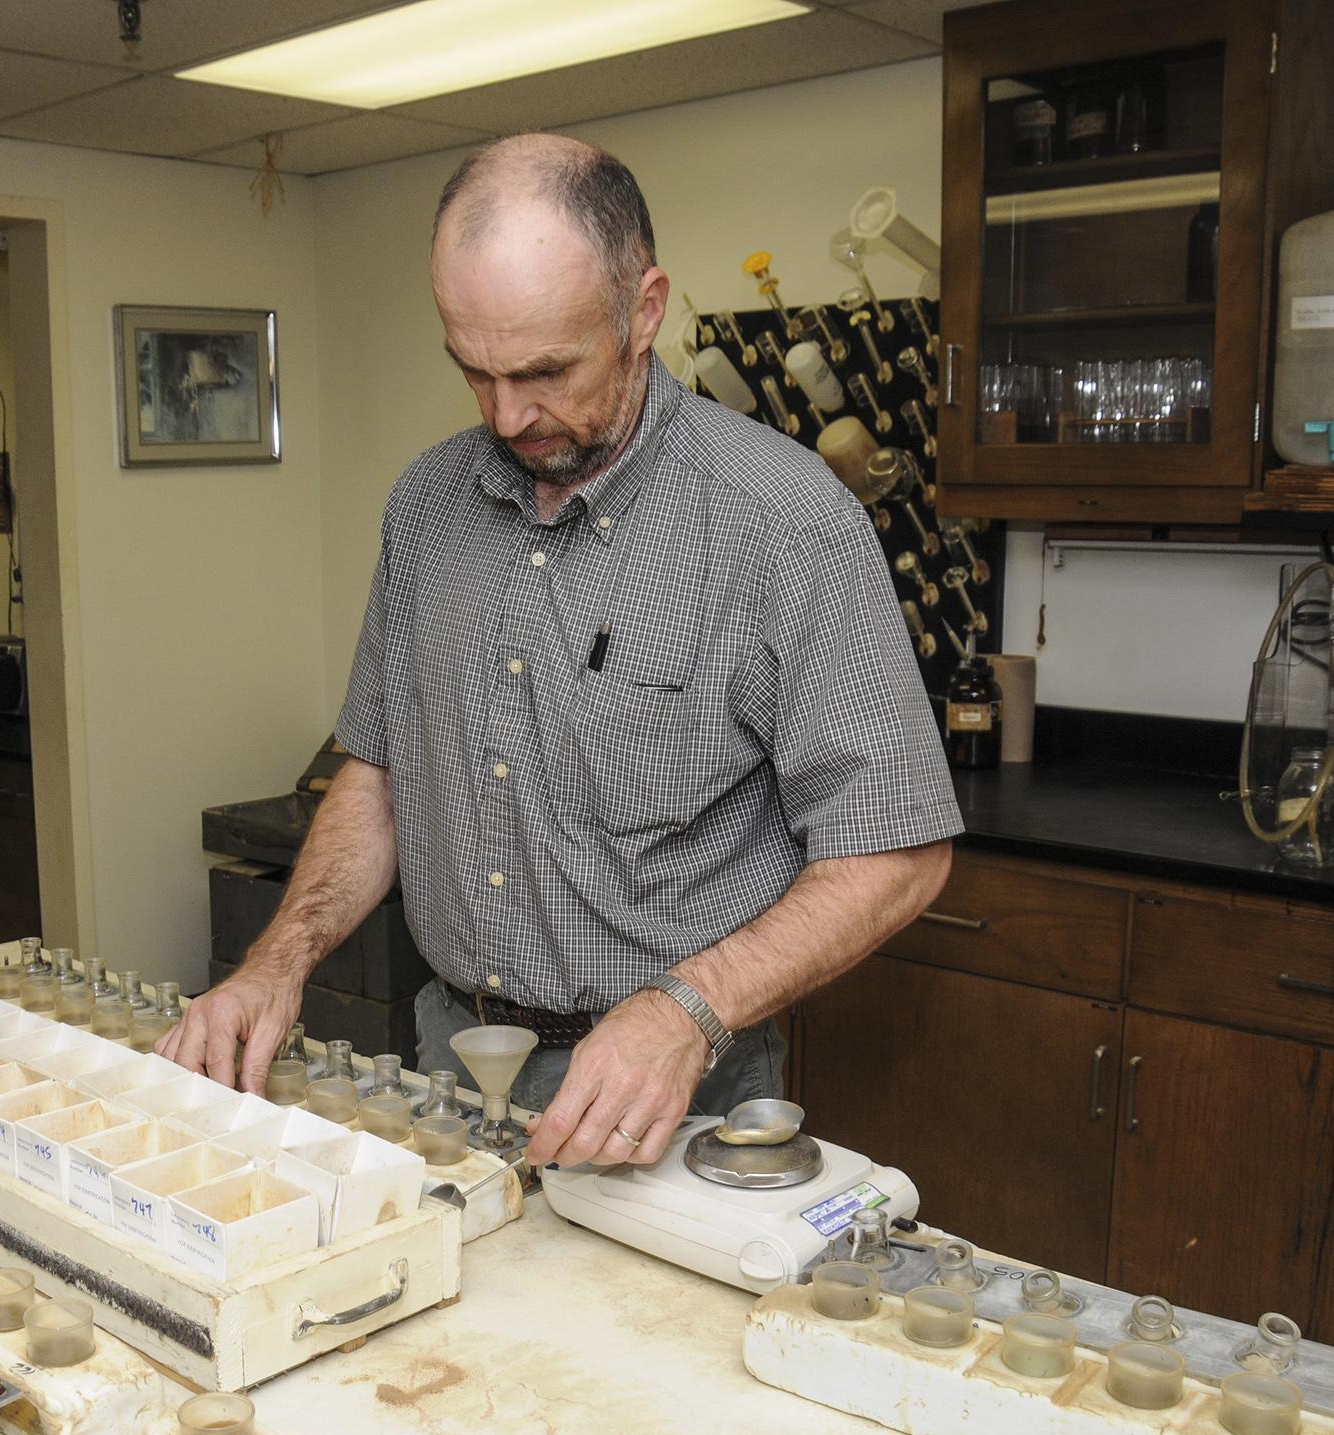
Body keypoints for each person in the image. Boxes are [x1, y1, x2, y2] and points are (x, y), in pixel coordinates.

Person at [161, 133, 960, 1170]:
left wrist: (685, 1013)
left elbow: (895, 851)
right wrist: (278, 961)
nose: (507, 415)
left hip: (672, 1098)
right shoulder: (426, 505)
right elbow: (383, 773)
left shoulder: (786, 524)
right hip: (447, 1061)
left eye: (544, 370)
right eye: (474, 371)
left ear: (644, 309)